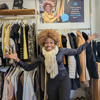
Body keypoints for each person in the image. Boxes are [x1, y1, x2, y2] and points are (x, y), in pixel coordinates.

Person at [4, 29, 100, 100]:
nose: (49, 45)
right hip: (51, 81)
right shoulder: (41, 56)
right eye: (46, 43)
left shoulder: (61, 50)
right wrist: (17, 59)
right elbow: (29, 67)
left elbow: (77, 51)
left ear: (55, 42)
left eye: (51, 42)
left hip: (64, 79)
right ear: (43, 43)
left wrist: (88, 41)